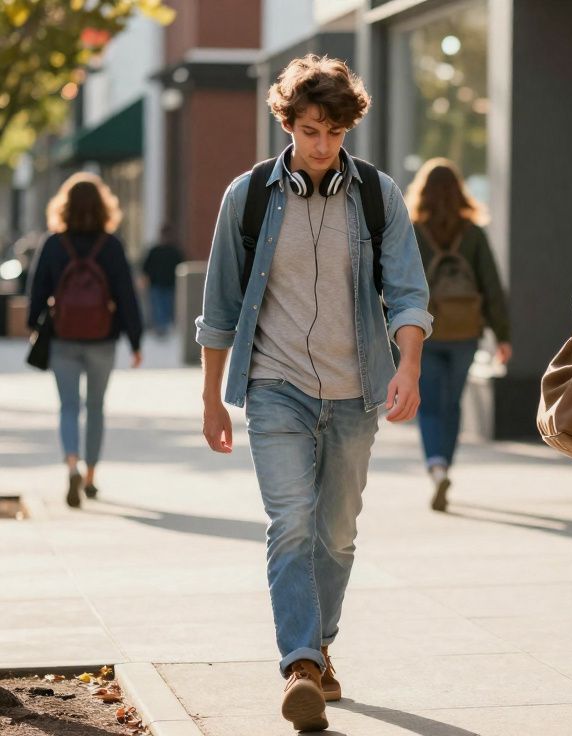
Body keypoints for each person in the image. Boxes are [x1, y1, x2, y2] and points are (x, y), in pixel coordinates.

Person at [194, 55, 431, 732]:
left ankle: (320, 643)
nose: (321, 146)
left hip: (357, 391)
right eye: (307, 131)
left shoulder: (378, 196)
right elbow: (219, 306)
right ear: (287, 125)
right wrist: (212, 398)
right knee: (290, 522)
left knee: (337, 533)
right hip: (276, 387)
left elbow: (410, 293)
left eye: (331, 132)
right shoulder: (251, 197)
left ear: (348, 127)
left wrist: (407, 367)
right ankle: (299, 661)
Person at [27, 173, 143, 508]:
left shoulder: (53, 243)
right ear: (104, 205)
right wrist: (135, 341)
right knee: (95, 408)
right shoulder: (111, 245)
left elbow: (37, 291)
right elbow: (126, 296)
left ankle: (71, 464)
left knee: (68, 406)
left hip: (63, 337)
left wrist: (35, 326)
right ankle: (91, 477)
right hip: (102, 339)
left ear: (63, 206)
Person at [404, 158, 511, 511]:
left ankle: (435, 465)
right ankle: (446, 464)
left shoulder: (414, 231)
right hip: (466, 333)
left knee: (429, 403)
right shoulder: (473, 233)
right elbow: (491, 286)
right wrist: (503, 335)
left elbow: (399, 284)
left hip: (425, 332)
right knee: (452, 403)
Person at [140, 225, 185, 337]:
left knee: (166, 306)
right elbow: (146, 267)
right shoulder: (156, 250)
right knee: (158, 306)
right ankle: (161, 327)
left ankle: (163, 326)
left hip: (169, 284)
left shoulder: (174, 251)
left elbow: (181, 267)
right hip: (156, 284)